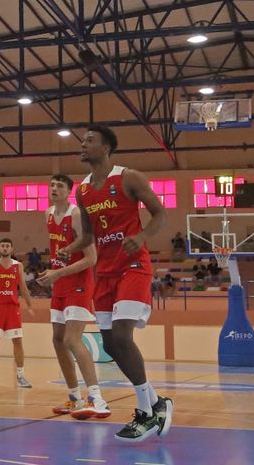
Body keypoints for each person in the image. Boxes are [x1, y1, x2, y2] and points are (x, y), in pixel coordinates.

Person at [63, 125, 173, 441]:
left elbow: (160, 214)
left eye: (90, 140)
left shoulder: (129, 178)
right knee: (110, 344)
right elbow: (87, 235)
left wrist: (140, 237)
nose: (83, 144)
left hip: (134, 267)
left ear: (107, 148)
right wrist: (71, 247)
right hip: (105, 273)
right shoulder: (82, 191)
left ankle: (146, 412)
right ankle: (156, 402)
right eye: (82, 140)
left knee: (122, 334)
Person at [36, 172, 108, 420]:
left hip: (79, 282)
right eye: (51, 184)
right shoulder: (47, 214)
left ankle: (97, 398)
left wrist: (58, 273)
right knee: (57, 340)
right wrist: (52, 274)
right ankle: (74, 397)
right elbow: (58, 250)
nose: (54, 188)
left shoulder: (76, 214)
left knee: (71, 339)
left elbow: (92, 258)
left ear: (69, 192)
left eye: (59, 186)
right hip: (60, 283)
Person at [0, 238, 32, 387]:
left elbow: (23, 287)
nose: (5, 248)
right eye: (2, 246)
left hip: (12, 308)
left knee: (18, 342)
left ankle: (21, 376)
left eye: (7, 246)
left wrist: (29, 305)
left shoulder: (18, 266)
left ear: (12, 249)